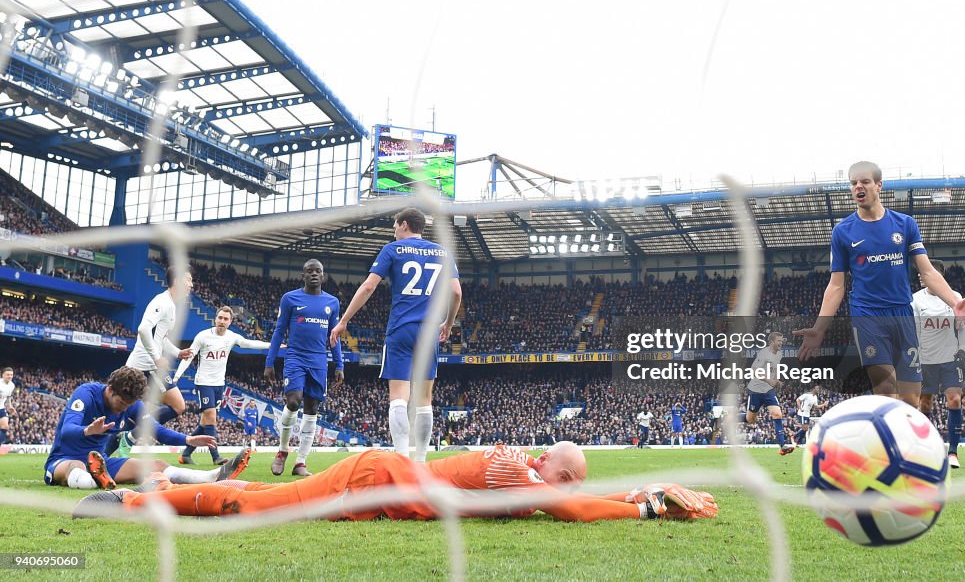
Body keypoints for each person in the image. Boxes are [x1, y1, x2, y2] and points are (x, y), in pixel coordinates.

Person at [75, 442, 719, 523]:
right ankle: (128, 498)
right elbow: (571, 510)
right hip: (373, 478)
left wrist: (636, 493)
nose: (548, 471)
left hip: (380, 480)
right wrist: (646, 510)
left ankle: (140, 494)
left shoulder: (527, 475)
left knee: (262, 499)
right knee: (252, 505)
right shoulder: (517, 472)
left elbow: (573, 499)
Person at [795, 161, 965, 407]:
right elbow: (836, 285)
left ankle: (904, 441)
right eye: (853, 183)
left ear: (879, 185)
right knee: (885, 389)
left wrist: (955, 302)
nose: (858, 186)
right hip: (867, 316)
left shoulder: (905, 224)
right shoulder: (843, 231)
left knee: (911, 398)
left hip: (903, 314)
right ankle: (890, 443)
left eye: (865, 181)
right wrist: (819, 328)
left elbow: (928, 272)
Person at [330, 208, 462, 463]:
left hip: (401, 329)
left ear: (403, 225)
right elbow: (456, 292)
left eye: (394, 225)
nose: (393, 230)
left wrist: (344, 321)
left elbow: (369, 286)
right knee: (425, 399)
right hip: (429, 332)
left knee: (399, 397)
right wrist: (448, 323)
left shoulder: (392, 249)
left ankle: (402, 459)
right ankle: (421, 462)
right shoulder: (442, 252)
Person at [45, 366, 251, 489]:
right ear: (110, 390)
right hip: (64, 460)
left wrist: (187, 440)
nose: (121, 411)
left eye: (127, 406)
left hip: (102, 464)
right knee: (77, 468)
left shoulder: (132, 404)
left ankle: (212, 478)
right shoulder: (86, 394)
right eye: (120, 404)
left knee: (158, 465)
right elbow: (67, 430)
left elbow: (154, 429)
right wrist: (88, 431)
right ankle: (93, 480)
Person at [265, 259, 343, 477]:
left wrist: (339, 364)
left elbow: (334, 336)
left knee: (312, 409)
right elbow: (279, 331)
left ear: (324, 275)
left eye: (318, 271)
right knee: (293, 401)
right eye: (310, 271)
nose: (314, 274)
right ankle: (282, 451)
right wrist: (269, 362)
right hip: (295, 357)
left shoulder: (332, 302)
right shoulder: (290, 299)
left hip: (319, 361)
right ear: (303, 275)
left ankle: (300, 462)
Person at [111, 268, 195, 457]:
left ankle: (124, 441)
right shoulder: (162, 302)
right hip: (145, 366)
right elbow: (143, 329)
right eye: (189, 280)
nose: (191, 284)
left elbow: (161, 337)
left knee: (128, 409)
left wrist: (177, 352)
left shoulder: (172, 305)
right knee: (176, 406)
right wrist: (157, 357)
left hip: (149, 365)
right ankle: (124, 440)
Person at [176, 306, 271, 465]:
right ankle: (216, 457)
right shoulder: (203, 336)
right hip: (204, 383)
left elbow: (249, 344)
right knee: (211, 418)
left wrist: (271, 345)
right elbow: (188, 357)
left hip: (219, 385)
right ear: (215, 319)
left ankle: (186, 454)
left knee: (205, 422)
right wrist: (177, 376)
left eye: (225, 319)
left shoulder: (231, 337)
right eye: (220, 318)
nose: (222, 321)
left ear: (230, 321)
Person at [912, 259, 965, 468]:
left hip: (950, 359)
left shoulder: (955, 297)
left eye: (926, 273)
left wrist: (962, 350)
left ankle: (953, 452)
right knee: (925, 404)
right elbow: (914, 331)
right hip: (926, 360)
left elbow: (963, 327)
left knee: (954, 400)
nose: (922, 276)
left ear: (938, 276)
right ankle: (926, 451)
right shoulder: (916, 300)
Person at [744, 332, 794, 455]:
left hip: (768, 391)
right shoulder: (764, 353)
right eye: (779, 341)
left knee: (777, 414)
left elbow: (776, 368)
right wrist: (769, 380)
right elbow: (754, 369)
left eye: (781, 341)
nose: (781, 343)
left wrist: (776, 381)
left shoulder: (779, 354)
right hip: (756, 390)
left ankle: (782, 446)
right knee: (751, 420)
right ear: (772, 342)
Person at [0, 366, 16, 445]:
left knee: (5, 427)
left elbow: (8, 396)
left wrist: (10, 406)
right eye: (8, 374)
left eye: (11, 375)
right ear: (2, 375)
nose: (10, 376)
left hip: (1, 408)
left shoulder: (12, 385)